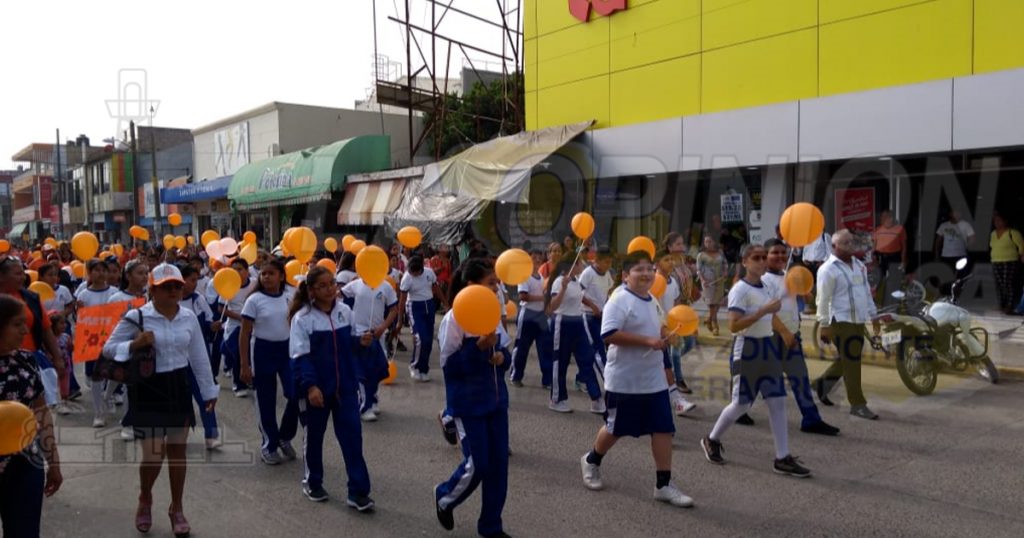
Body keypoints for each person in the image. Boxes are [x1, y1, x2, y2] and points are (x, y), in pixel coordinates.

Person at [102, 263, 218, 536]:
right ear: (152, 290)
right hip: (148, 388)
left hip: (178, 386)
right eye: (167, 287)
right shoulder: (136, 316)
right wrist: (134, 344)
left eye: (177, 285)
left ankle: (176, 508)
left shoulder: (188, 317)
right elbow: (108, 349)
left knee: (177, 452)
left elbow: (199, 357)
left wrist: (209, 392)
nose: (174, 291)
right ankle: (145, 497)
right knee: (153, 454)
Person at [578, 251, 694, 507]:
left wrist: (667, 335)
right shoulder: (619, 300)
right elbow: (608, 335)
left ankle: (663, 484)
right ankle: (591, 460)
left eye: (649, 269)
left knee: (664, 428)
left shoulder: (651, 298)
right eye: (638, 269)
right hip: (625, 380)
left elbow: (659, 326)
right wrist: (648, 341)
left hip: (653, 379)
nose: (646, 274)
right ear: (625, 275)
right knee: (616, 428)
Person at [700, 244, 810, 477]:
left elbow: (771, 317)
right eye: (756, 258)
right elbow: (733, 325)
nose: (761, 262)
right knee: (741, 404)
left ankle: (782, 457)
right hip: (747, 348)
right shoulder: (740, 289)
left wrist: (783, 330)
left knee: (778, 401)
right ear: (745, 262)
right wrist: (762, 312)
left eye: (763, 257)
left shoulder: (766, 287)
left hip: (768, 346)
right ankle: (712, 439)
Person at [433, 258, 512, 537]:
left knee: (499, 467)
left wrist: (502, 357)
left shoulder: (494, 313)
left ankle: (491, 526)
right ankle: (444, 496)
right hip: (468, 405)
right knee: (478, 463)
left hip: (496, 402)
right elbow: (449, 367)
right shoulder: (455, 319)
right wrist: (478, 348)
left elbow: (506, 358)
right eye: (491, 283)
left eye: (496, 283)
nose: (497, 287)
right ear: (471, 286)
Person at [288, 266, 374, 510]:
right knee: (314, 438)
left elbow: (349, 348)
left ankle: (357, 491)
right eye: (323, 285)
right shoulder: (302, 318)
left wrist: (361, 342)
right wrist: (311, 387)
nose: (330, 289)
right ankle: (313, 482)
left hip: (345, 389)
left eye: (332, 283)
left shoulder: (345, 311)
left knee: (352, 439)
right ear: (312, 290)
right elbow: (300, 356)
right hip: (316, 391)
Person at [0, 295, 63, 536]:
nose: (25, 330)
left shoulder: (26, 360)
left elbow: (42, 413)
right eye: (17, 324)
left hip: (25, 463)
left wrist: (53, 462)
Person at [763, 239, 839, 436]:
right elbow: (766, 313)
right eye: (775, 253)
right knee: (761, 380)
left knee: (800, 379)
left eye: (783, 252)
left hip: (792, 336)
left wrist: (805, 292)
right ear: (765, 256)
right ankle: (738, 410)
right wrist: (785, 333)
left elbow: (806, 298)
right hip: (771, 338)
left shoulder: (790, 275)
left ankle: (811, 419)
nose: (780, 256)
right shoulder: (762, 281)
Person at [814, 229, 882, 420]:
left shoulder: (859, 265)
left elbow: (866, 293)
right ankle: (857, 404)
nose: (850, 246)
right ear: (834, 246)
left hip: (857, 320)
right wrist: (824, 324)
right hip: (840, 321)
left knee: (848, 358)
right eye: (845, 243)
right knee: (852, 362)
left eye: (851, 242)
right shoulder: (827, 269)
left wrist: (874, 315)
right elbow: (823, 299)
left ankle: (821, 386)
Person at [239, 259, 299, 464]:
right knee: (266, 400)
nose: (266, 277)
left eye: (271, 273)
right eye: (263, 274)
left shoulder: (289, 296)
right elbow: (244, 333)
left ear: (281, 276)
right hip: (262, 352)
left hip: (286, 351)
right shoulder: (254, 300)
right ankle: (269, 444)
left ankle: (284, 436)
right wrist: (244, 364)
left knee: (295, 394)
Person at [545, 258, 604, 414]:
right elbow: (552, 307)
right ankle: (557, 399)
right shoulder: (559, 282)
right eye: (580, 263)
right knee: (560, 362)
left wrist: (591, 304)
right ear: (572, 264)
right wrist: (563, 288)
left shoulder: (576, 280)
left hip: (578, 322)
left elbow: (579, 297)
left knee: (587, 359)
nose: (583, 265)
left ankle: (596, 399)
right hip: (562, 322)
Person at [341, 271, 399, 422]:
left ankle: (372, 400)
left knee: (377, 369)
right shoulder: (355, 284)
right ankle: (364, 406)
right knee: (362, 371)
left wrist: (383, 327)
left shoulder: (386, 286)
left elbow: (394, 309)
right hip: (360, 334)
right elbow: (338, 295)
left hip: (378, 334)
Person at [178, 264, 222, 450]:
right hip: (177, 359)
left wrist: (213, 327)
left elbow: (209, 321)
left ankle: (211, 433)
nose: (195, 284)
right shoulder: (166, 302)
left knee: (206, 393)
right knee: (179, 398)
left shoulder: (199, 300)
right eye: (192, 280)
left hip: (198, 356)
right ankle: (179, 434)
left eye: (197, 280)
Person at [109, 259, 150, 441]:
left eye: (146, 273)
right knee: (129, 386)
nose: (144, 277)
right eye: (139, 273)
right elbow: (109, 328)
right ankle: (128, 423)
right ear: (128, 276)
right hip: (126, 349)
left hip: (148, 349)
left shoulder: (150, 296)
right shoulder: (117, 299)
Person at [654, 251, 698, 416]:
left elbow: (677, 303)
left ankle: (674, 398)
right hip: (659, 330)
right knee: (665, 366)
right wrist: (662, 328)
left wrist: (685, 321)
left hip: (673, 326)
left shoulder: (673, 282)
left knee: (689, 344)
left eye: (672, 259)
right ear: (657, 264)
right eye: (666, 259)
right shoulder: (653, 282)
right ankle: (676, 401)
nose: (671, 262)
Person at [397, 255, 447, 382]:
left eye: (415, 272)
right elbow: (402, 300)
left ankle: (424, 369)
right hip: (414, 307)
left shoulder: (429, 273)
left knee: (428, 341)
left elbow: (436, 288)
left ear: (421, 270)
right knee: (420, 338)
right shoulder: (407, 278)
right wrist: (400, 320)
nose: (412, 274)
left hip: (429, 306)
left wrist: (445, 304)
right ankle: (414, 366)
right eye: (411, 272)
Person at [509, 249, 553, 389]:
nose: (537, 260)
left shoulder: (540, 277)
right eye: (534, 258)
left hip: (541, 317)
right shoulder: (524, 276)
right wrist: (542, 298)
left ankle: (547, 380)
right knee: (522, 347)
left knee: (545, 349)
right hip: (527, 315)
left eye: (539, 258)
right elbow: (523, 296)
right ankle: (516, 376)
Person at [220, 258, 258, 397]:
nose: (236, 272)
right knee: (238, 354)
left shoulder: (254, 284)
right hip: (235, 327)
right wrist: (242, 318)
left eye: (240, 269)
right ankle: (238, 383)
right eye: (234, 269)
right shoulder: (227, 285)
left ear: (247, 271)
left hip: (253, 327)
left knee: (251, 354)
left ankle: (251, 379)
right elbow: (221, 308)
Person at [578, 249, 614, 372]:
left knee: (601, 346)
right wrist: (592, 306)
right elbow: (577, 293)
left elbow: (609, 290)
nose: (608, 265)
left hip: (602, 315)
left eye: (610, 262)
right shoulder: (588, 273)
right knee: (598, 347)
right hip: (588, 315)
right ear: (597, 261)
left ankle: (582, 377)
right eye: (606, 262)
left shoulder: (607, 273)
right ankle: (607, 380)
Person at [989, 212, 1024, 315]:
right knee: (998, 284)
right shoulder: (993, 234)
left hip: (1009, 261)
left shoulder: (1013, 233)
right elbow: (992, 246)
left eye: (999, 220)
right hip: (996, 261)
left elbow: (1021, 245)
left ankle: (1009, 306)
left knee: (1008, 284)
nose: (997, 223)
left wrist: (1021, 256)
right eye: (995, 221)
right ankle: (1000, 304)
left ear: (1005, 221)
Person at [696, 236, 728, 336]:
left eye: (710, 241)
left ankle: (709, 319)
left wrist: (725, 271)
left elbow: (725, 263)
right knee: (712, 304)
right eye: (706, 242)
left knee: (717, 303)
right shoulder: (701, 255)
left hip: (719, 281)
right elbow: (698, 270)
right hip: (707, 282)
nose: (708, 243)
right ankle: (715, 324)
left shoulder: (720, 252)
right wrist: (703, 280)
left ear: (714, 242)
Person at [935, 209, 975, 276]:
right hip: (946, 256)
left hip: (960, 256)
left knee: (960, 276)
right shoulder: (944, 225)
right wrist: (936, 254)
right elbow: (938, 241)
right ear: (950, 213)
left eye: (958, 212)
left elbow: (972, 238)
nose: (957, 214)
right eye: (954, 212)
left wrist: (967, 247)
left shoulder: (966, 224)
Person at [873, 210, 907, 278]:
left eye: (886, 216)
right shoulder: (878, 229)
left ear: (891, 218)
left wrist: (903, 261)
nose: (883, 218)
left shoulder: (900, 229)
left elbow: (904, 247)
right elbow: (874, 246)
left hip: (895, 258)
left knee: (895, 279)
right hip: (881, 258)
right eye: (882, 217)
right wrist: (874, 258)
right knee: (880, 279)